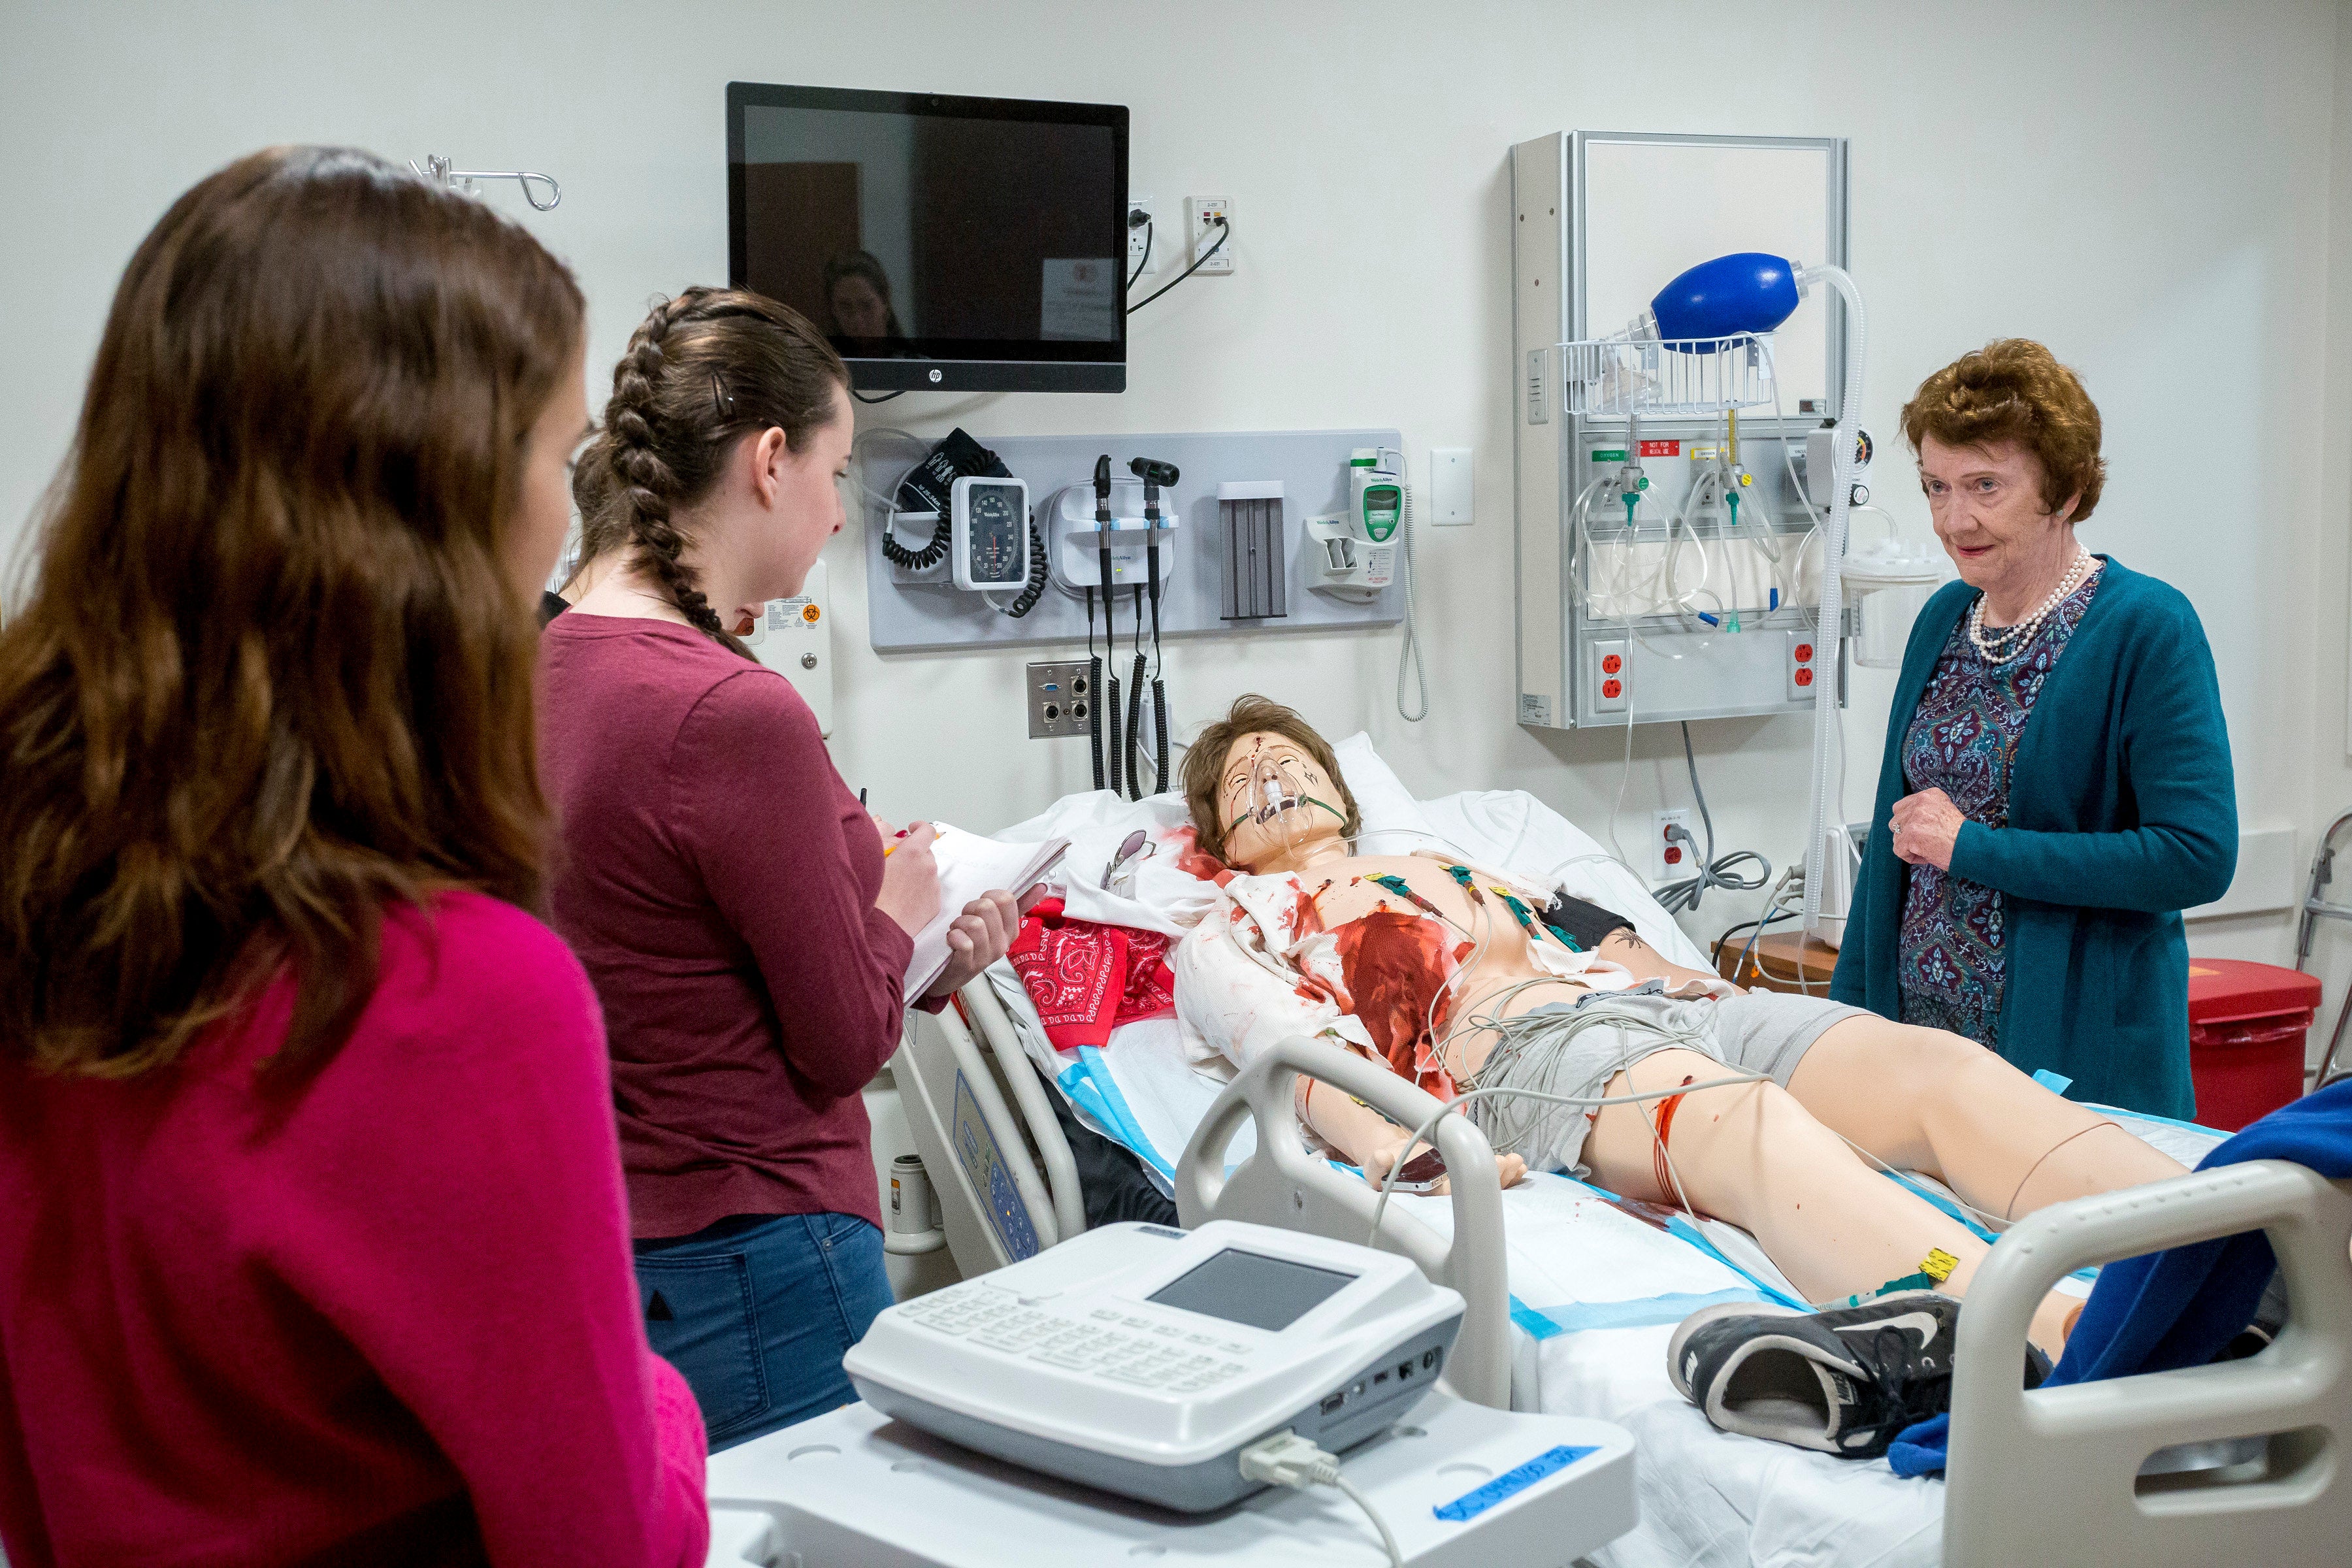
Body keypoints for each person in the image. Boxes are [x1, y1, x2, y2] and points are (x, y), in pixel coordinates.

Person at [0, 148, 706, 1565]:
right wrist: (663, 1406)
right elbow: (607, 1540)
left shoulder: (46, 914)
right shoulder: (455, 997)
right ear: (421, 522)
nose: (563, 529)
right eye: (550, 463)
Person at [1171, 696, 2186, 1381]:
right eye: (1242, 780)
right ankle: (2070, 1349)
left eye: (1288, 757)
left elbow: (1596, 934)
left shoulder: (1451, 860)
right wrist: (1398, 1145)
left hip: (1668, 1004)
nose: (1270, 775)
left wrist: (1688, 981)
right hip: (1527, 1052)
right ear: (1219, 840)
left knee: (1937, 1070)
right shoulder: (1244, 924)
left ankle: (2232, 1244)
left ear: (1339, 789)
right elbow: (1289, 1056)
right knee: (1749, 1126)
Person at [541, 286, 1018, 1450]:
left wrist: (920, 960)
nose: (843, 515)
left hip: (627, 1248)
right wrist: (904, 910)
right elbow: (844, 1041)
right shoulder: (727, 709)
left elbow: (684, 961)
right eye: (837, 470)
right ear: (768, 461)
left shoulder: (550, 654)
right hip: (760, 1261)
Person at [1830, 340, 2236, 1118]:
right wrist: (1851, 1024)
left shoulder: (2146, 627)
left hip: (2072, 1054)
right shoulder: (1944, 619)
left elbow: (2195, 858)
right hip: (1926, 1044)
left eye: (1986, 486)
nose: (1956, 519)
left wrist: (1979, 850)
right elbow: (1899, 858)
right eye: (1935, 487)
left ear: (2068, 489)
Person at [823, 250, 904, 348]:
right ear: (834, 310)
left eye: (867, 306)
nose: (858, 321)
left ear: (885, 302)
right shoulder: (820, 361)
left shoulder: (916, 361)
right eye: (846, 308)